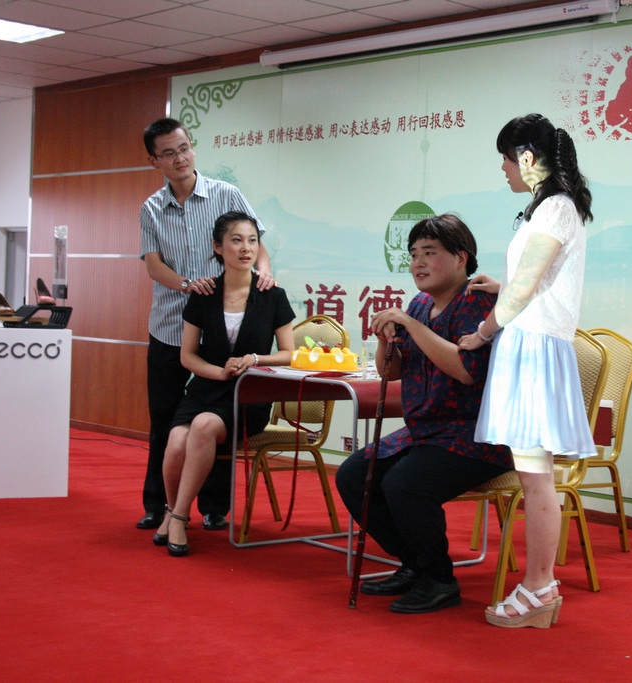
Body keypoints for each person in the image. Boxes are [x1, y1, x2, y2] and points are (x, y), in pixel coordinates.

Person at [335, 214, 513, 614]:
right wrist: (387, 341)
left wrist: (411, 327)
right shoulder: (419, 305)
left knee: (404, 484)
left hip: (476, 434)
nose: (418, 263)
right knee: (354, 476)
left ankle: (440, 579)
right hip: (425, 432)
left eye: (429, 253)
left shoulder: (479, 301)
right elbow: (391, 373)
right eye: (414, 254)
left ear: (461, 258)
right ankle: (414, 563)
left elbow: (466, 370)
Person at [459, 113, 596, 628]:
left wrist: (483, 331)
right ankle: (541, 586)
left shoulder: (556, 207)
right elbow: (535, 281)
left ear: (527, 158)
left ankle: (539, 586)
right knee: (533, 476)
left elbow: (525, 289)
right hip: (531, 346)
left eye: (506, 158)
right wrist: (503, 289)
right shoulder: (553, 207)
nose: (503, 169)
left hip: (533, 352)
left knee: (536, 481)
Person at [138, 117, 276, 533]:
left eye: (183, 148)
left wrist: (265, 275)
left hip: (221, 332)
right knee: (166, 418)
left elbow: (255, 241)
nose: (179, 158)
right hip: (169, 325)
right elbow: (153, 265)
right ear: (154, 161)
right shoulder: (151, 208)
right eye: (168, 153)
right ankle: (159, 506)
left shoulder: (225, 194)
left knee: (216, 417)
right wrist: (186, 284)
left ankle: (214, 506)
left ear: (192, 147)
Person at [152, 212, 295, 556]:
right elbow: (187, 356)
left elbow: (290, 354)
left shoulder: (272, 294)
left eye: (252, 241)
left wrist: (255, 359)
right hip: (206, 388)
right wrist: (219, 373)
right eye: (236, 240)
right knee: (176, 442)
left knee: (203, 426)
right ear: (218, 247)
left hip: (248, 395)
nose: (246, 248)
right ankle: (172, 511)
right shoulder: (204, 293)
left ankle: (178, 517)